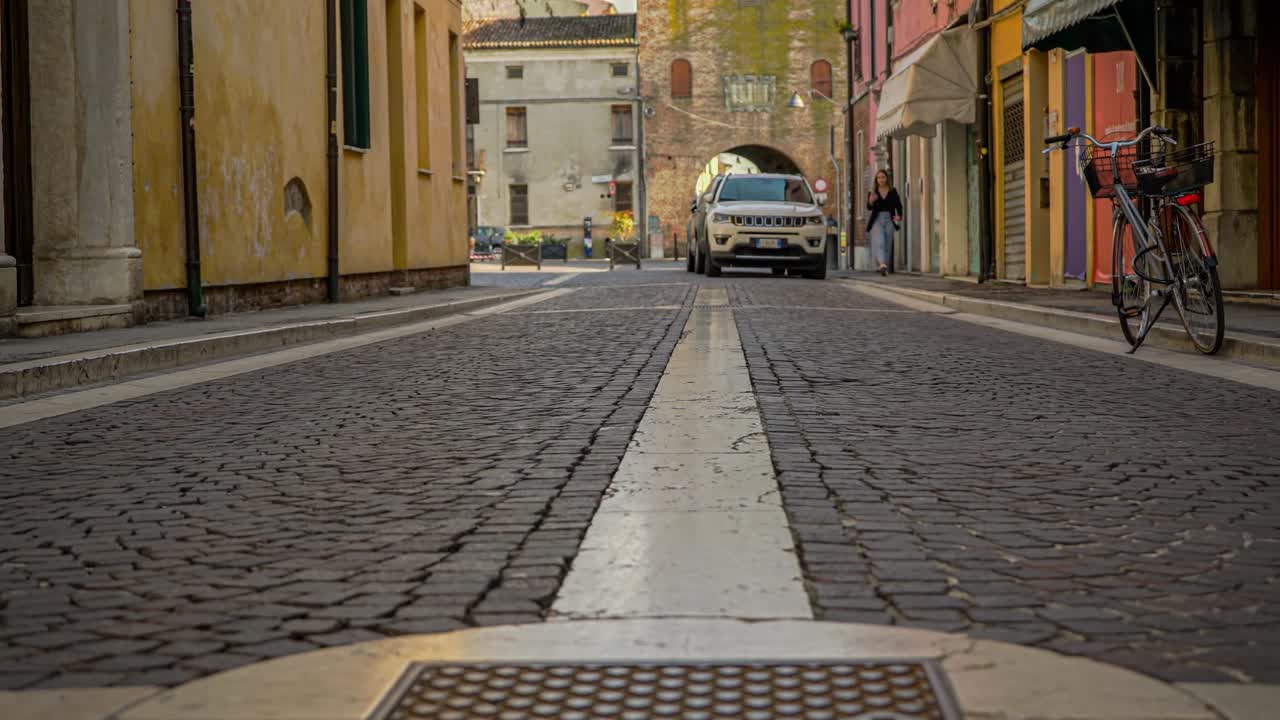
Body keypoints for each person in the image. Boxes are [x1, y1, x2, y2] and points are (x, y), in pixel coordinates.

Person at [865, 170, 902, 276]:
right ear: (876, 180)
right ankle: (882, 265)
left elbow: (898, 205)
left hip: (889, 218)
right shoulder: (873, 191)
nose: (881, 179)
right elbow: (869, 207)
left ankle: (884, 266)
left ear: (887, 178)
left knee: (888, 243)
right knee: (880, 242)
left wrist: (899, 215)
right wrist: (871, 201)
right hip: (877, 219)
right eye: (879, 178)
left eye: (883, 177)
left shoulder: (892, 191)